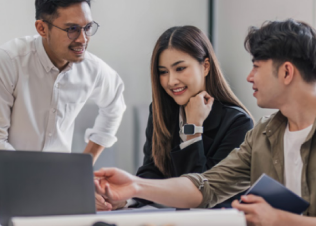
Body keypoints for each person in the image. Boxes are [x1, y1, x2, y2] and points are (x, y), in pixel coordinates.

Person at [95, 19, 316, 226]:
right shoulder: (262, 136)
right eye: (164, 72)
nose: (249, 77)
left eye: (256, 66)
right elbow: (205, 186)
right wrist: (133, 187)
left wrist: (280, 220)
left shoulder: (239, 122)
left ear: (287, 72)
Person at [96, 25, 253, 210]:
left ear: (205, 66)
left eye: (180, 68)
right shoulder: (161, 111)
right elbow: (152, 173)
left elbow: (201, 192)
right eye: (163, 72)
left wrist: (193, 127)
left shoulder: (238, 123)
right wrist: (124, 199)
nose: (171, 81)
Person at [0, 0, 126, 163]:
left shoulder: (92, 69)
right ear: (42, 28)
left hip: (59, 179)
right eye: (72, 29)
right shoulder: (9, 62)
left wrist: (86, 161)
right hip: (7, 175)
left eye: (87, 28)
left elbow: (115, 105)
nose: (83, 39)